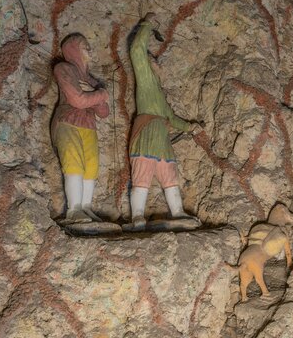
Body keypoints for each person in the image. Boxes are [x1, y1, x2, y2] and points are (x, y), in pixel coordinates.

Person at [127, 13, 200, 229]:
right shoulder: (147, 82)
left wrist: (190, 127)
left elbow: (172, 118)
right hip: (146, 134)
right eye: (155, 63)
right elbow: (135, 51)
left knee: (169, 174)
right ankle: (137, 216)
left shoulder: (159, 94)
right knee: (142, 174)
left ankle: (177, 211)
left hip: (161, 139)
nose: (159, 66)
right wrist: (147, 24)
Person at [51, 34, 109, 225]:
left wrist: (95, 94)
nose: (89, 50)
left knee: (91, 167)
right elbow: (77, 100)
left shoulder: (91, 81)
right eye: (85, 46)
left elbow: (104, 112)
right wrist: (100, 94)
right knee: (73, 162)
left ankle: (86, 206)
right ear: (74, 49)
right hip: (68, 121)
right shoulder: (64, 69)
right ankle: (74, 209)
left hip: (88, 125)